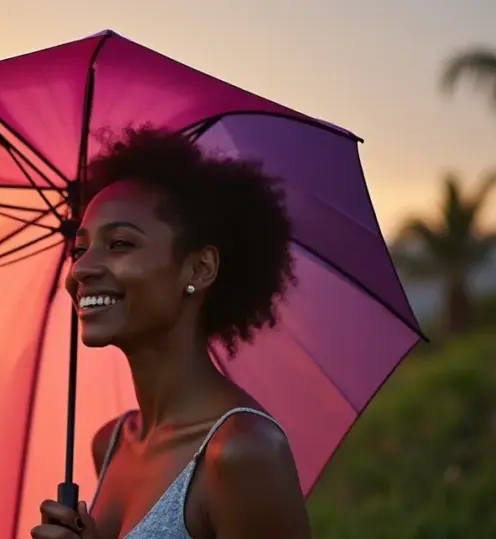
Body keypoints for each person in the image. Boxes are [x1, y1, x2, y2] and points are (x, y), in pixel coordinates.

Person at [30, 126, 311, 539]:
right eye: (80, 249)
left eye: (120, 244)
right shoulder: (110, 444)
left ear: (198, 269)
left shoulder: (241, 452)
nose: (82, 269)